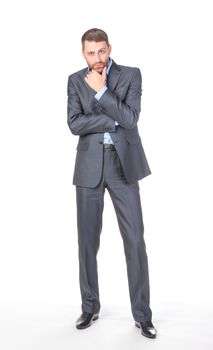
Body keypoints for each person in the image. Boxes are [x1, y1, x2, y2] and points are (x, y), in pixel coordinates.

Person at [67, 28, 157, 339]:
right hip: (89, 166)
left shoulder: (131, 75)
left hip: (123, 166)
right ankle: (90, 307)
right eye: (90, 53)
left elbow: (131, 120)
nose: (97, 59)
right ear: (83, 53)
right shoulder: (75, 81)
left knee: (135, 241)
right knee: (87, 243)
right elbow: (74, 124)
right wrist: (113, 117)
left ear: (109, 49)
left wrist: (103, 94)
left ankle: (142, 315)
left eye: (101, 51)